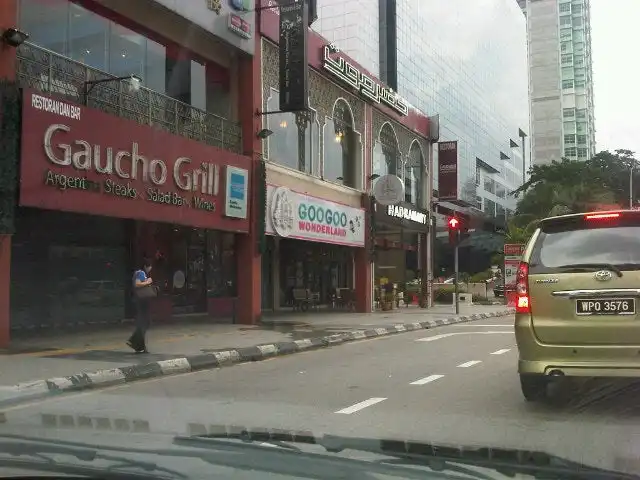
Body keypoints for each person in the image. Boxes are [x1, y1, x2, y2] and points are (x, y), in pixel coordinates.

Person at [128, 258, 154, 353]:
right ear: (146, 266)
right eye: (150, 266)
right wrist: (148, 282)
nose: (150, 269)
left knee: (143, 323)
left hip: (139, 300)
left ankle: (139, 345)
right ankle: (135, 342)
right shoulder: (141, 273)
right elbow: (137, 284)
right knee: (145, 322)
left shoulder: (136, 272)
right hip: (142, 301)